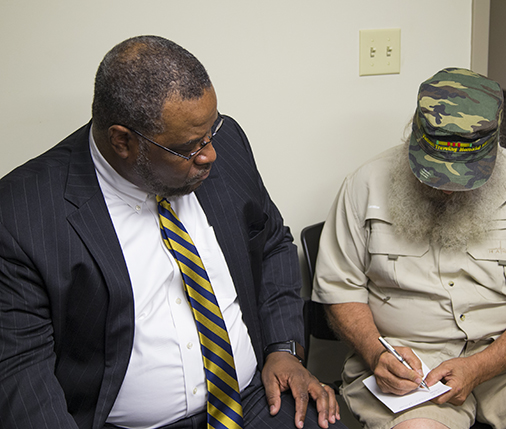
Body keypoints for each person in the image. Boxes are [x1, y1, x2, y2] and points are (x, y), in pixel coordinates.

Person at [0, 35, 345, 429]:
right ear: (122, 140)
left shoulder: (222, 142)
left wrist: (283, 350)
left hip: (252, 399)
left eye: (210, 133)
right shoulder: (22, 215)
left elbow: (271, 242)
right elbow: (20, 374)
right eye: (188, 147)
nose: (209, 154)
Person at [312, 68, 506, 429]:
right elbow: (340, 290)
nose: (447, 189)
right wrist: (374, 351)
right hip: (412, 367)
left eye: (464, 176)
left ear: (494, 146)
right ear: (414, 134)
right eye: (434, 173)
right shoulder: (365, 185)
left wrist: (481, 366)